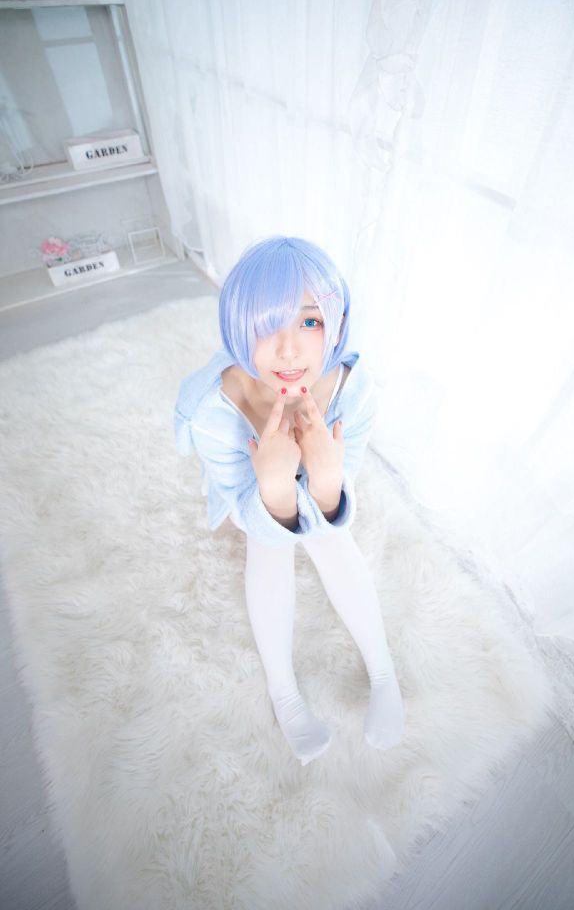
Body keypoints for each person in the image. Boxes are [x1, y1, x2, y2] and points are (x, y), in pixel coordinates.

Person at [174, 235, 404, 765]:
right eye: (266, 326)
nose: (289, 350)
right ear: (238, 328)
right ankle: (284, 693)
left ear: (336, 324)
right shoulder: (209, 410)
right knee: (269, 546)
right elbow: (244, 508)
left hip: (317, 475)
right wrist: (277, 488)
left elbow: (335, 505)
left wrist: (325, 476)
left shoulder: (354, 389)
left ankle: (383, 673)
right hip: (253, 493)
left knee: (332, 542)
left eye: (310, 322)